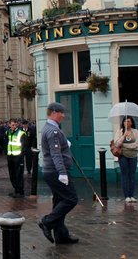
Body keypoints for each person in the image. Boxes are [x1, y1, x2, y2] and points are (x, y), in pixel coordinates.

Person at [38, 102, 79, 245]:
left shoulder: (52, 129)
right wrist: (62, 173)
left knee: (60, 201)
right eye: (61, 112)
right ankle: (46, 222)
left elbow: (57, 149)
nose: (63, 115)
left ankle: (61, 235)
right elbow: (55, 154)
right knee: (71, 199)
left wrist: (65, 144)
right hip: (56, 171)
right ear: (54, 112)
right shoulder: (53, 131)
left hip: (52, 171)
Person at [114, 116, 138, 202]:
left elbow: (136, 145)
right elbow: (117, 144)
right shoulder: (120, 131)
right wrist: (123, 136)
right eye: (125, 121)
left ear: (131, 123)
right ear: (123, 123)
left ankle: (131, 195)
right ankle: (126, 196)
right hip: (123, 156)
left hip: (133, 155)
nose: (127, 123)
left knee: (132, 175)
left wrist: (125, 146)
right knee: (124, 175)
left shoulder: (135, 131)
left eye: (129, 121)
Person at [6, 119, 27, 198]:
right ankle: (16, 190)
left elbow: (24, 146)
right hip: (10, 156)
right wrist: (6, 153)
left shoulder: (21, 133)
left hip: (18, 157)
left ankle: (20, 191)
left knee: (19, 174)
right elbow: (6, 143)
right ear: (9, 125)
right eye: (12, 125)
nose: (14, 126)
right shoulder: (7, 132)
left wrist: (21, 155)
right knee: (12, 174)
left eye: (15, 125)